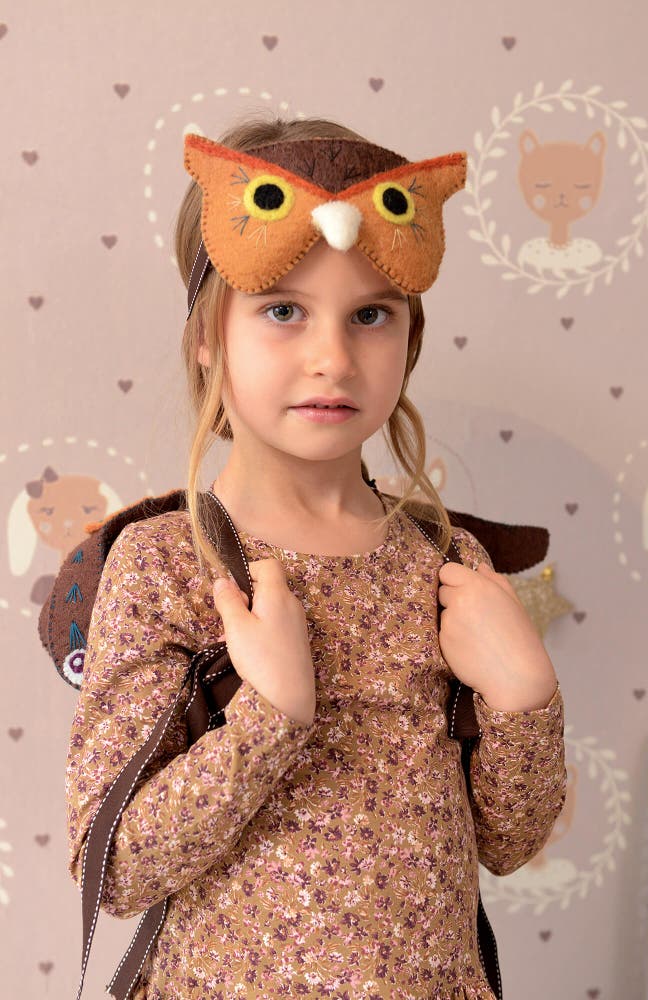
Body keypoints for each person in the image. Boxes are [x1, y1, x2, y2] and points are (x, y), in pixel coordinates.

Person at [65, 112, 566, 998]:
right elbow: (114, 869)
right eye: (283, 311)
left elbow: (507, 841)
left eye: (370, 315)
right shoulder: (167, 564)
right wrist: (272, 718)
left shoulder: (446, 563)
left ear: (409, 340)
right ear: (207, 337)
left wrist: (526, 695)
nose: (332, 357)